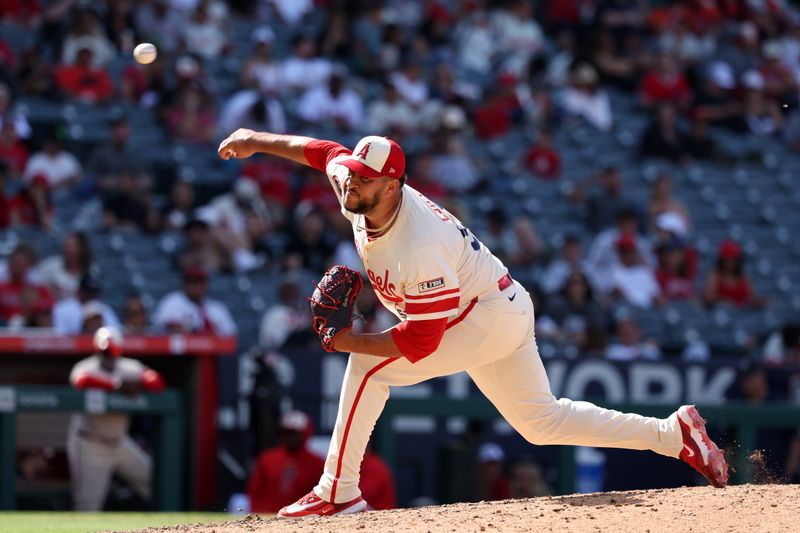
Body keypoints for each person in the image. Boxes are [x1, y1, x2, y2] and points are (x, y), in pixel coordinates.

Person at [218, 128, 729, 517]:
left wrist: (347, 338)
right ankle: (673, 434)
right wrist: (255, 141)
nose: (351, 180)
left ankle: (339, 491)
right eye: (353, 172)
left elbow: (419, 342)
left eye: (365, 177)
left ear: (393, 184)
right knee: (541, 422)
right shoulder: (358, 185)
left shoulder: (418, 245)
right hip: (499, 303)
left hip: (480, 314)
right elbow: (323, 152)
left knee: (368, 366)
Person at [67, 327, 166, 511]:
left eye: (113, 351)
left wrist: (140, 382)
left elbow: (157, 382)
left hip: (121, 443)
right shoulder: (86, 367)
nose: (110, 355)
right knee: (87, 508)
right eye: (106, 351)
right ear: (97, 350)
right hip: (90, 444)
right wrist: (116, 386)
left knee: (157, 484)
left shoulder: (129, 367)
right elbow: (82, 380)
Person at [247, 410, 325, 514]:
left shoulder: (317, 463)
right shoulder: (267, 458)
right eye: (287, 433)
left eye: (295, 434)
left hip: (301, 516)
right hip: (268, 515)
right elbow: (254, 490)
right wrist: (257, 511)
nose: (291, 437)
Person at [153, 267, 237, 335]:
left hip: (213, 354)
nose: (197, 287)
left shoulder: (217, 307)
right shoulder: (172, 302)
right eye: (193, 282)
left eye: (201, 282)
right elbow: (167, 327)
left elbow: (230, 333)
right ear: (184, 284)